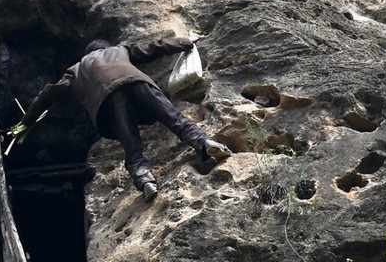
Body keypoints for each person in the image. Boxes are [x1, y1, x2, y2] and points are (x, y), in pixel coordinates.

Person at [19, 35, 232, 202]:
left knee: (131, 145)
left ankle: (145, 180)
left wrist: (26, 122)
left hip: (108, 101)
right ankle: (205, 142)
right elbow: (153, 47)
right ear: (104, 47)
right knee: (174, 119)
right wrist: (185, 42)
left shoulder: (75, 70)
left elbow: (49, 94)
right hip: (138, 83)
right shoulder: (118, 50)